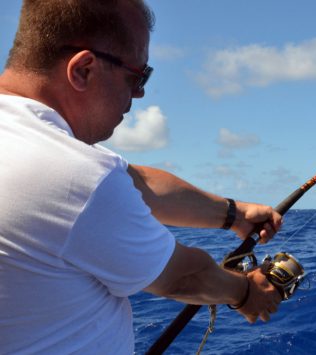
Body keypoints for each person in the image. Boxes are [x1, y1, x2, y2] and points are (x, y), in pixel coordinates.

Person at [0, 0, 283, 353]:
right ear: (84, 70)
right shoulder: (72, 176)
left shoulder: (30, 146)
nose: (140, 93)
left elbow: (136, 183)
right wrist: (246, 292)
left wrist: (234, 215)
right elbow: (182, 277)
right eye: (137, 75)